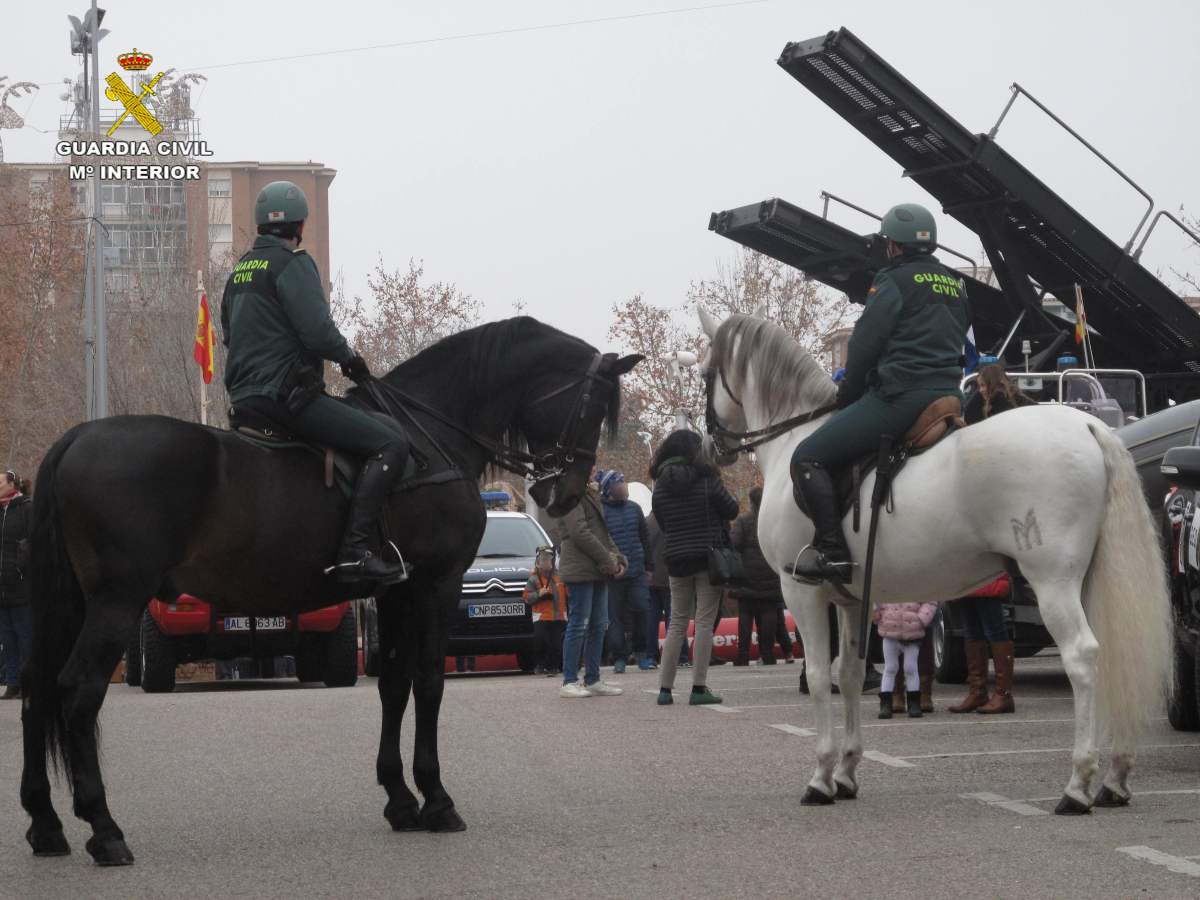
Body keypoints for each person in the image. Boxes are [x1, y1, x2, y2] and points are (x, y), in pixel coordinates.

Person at [221, 180, 408, 585]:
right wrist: (351, 361)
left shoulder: (238, 274)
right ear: (299, 226)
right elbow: (318, 332)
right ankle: (355, 552)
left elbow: (229, 337)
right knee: (389, 442)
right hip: (287, 399)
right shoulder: (293, 265)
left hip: (243, 401)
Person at [787, 204, 970, 583]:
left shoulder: (892, 280)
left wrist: (848, 394)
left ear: (894, 246)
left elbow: (865, 343)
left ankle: (832, 551)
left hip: (901, 398)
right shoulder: (956, 283)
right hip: (951, 396)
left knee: (807, 457)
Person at [651, 430, 739, 706]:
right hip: (707, 557)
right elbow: (732, 510)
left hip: (676, 559)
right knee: (703, 622)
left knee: (676, 622)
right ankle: (699, 688)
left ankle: (665, 690)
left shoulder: (660, 485)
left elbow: (662, 521)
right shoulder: (707, 478)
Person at [556, 470, 627, 698]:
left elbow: (603, 533)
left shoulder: (588, 494)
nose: (595, 472)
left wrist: (619, 558)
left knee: (599, 625)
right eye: (590, 466)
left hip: (597, 569)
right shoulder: (569, 494)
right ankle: (569, 681)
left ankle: (593, 678)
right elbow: (579, 533)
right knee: (578, 624)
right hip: (580, 569)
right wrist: (609, 559)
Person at [598, 469, 655, 672]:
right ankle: (619, 656)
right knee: (614, 617)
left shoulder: (634, 508)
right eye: (620, 482)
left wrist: (649, 567)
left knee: (642, 609)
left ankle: (642, 653)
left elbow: (645, 539)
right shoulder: (601, 512)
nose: (624, 485)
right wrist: (610, 566)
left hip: (637, 571)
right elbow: (600, 543)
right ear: (609, 489)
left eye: (624, 481)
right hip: (612, 575)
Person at [731, 487, 784, 665]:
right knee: (769, 614)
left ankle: (743, 655)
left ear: (751, 501)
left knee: (745, 615)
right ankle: (767, 654)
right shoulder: (775, 521)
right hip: (770, 573)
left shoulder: (743, 520)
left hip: (747, 576)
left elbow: (734, 544)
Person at [874, 601, 938, 718]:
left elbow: (930, 600)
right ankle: (886, 704)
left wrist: (922, 619)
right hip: (890, 632)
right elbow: (876, 595)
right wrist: (875, 613)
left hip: (912, 632)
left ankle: (914, 703)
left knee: (910, 668)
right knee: (890, 668)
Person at [0, 471, 33, 700]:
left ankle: (28, 683)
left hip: (22, 584)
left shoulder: (26, 508)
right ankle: (12, 683)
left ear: (12, 484)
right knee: (7, 638)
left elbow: (37, 541)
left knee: (25, 636)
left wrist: (24, 566)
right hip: (2, 586)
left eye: (0, 482)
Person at [647, 511, 689, 668]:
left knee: (652, 620)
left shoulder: (646, 522)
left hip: (651, 578)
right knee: (675, 618)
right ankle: (681, 656)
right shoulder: (674, 520)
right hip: (671, 575)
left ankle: (651, 656)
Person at [523, 545, 567, 676]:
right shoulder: (533, 578)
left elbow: (570, 594)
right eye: (543, 559)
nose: (546, 562)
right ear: (538, 562)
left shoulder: (560, 577)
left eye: (549, 559)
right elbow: (526, 597)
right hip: (541, 618)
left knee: (556, 645)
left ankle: (554, 667)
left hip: (558, 617)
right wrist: (538, 594)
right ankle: (540, 665)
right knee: (541, 642)